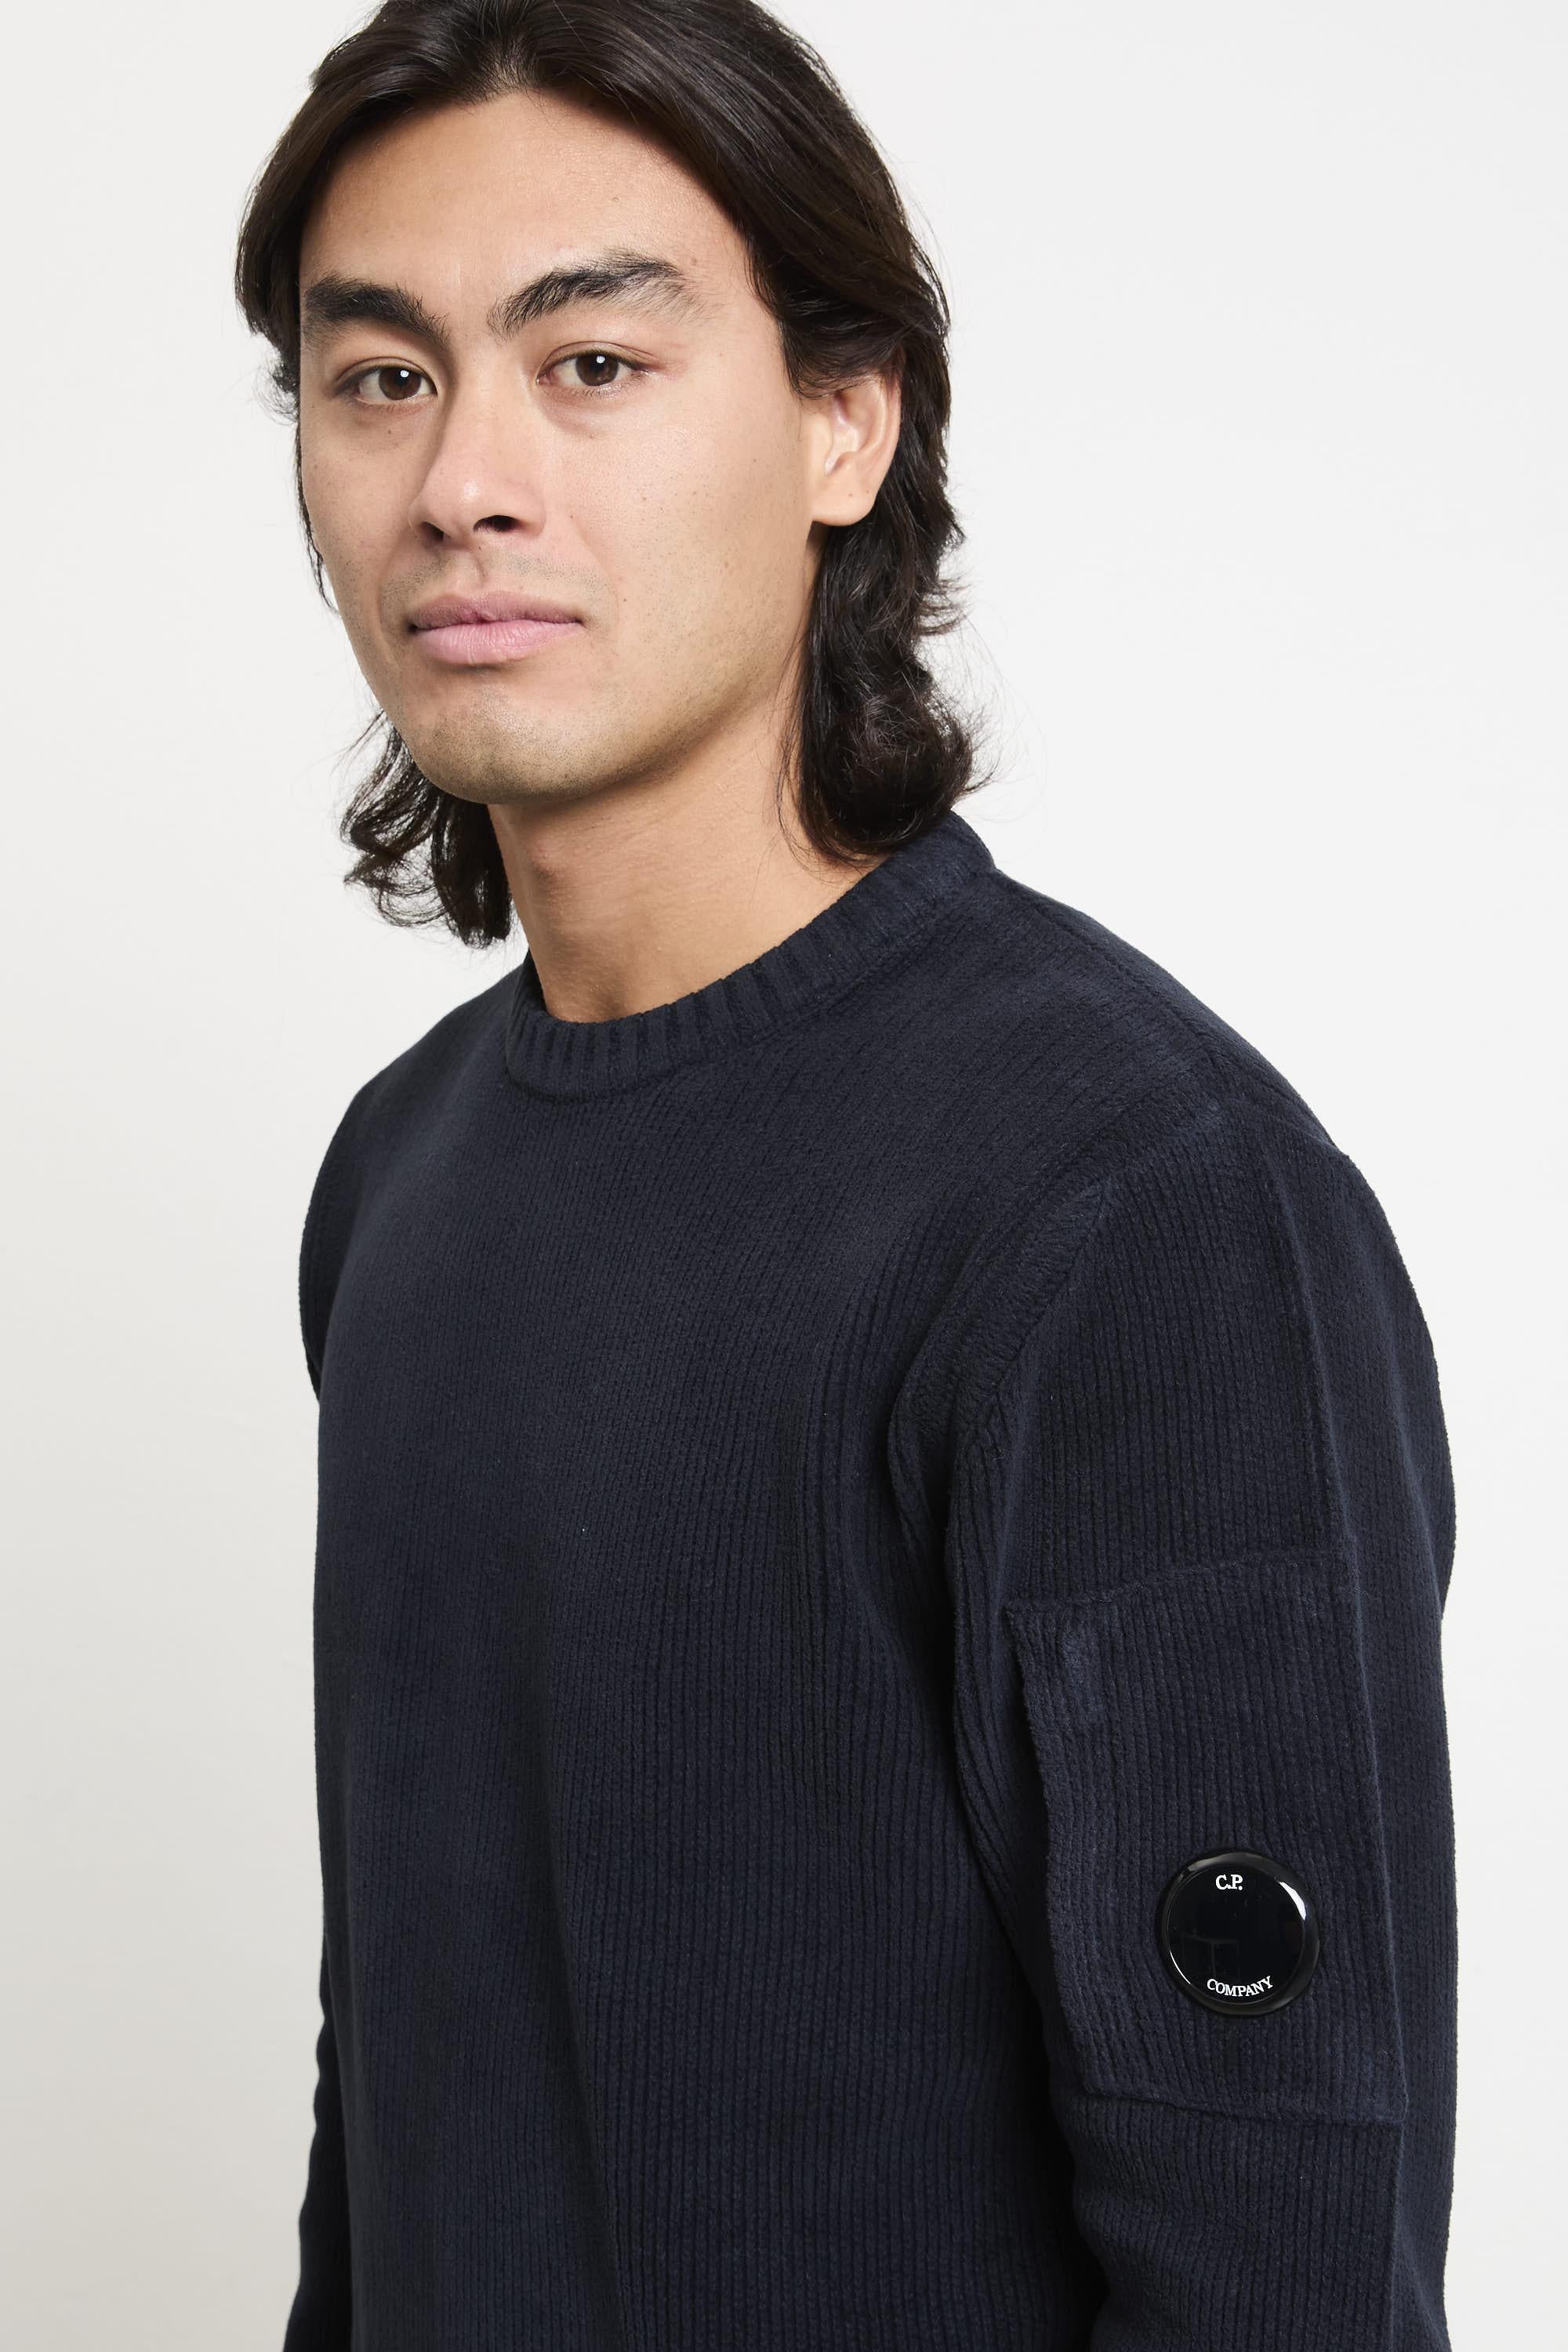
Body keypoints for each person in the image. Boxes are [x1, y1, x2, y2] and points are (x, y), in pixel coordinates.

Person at [234, 4, 1459, 2346]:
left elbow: (1281, 2266)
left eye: (591, 365)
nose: (464, 480)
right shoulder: (400, 1177)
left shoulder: (1143, 1207)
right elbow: (400, 2100)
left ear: (842, 418)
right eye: (379, 377)